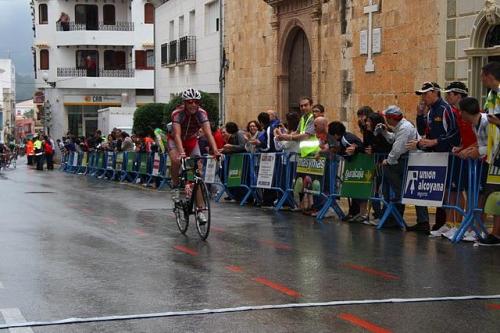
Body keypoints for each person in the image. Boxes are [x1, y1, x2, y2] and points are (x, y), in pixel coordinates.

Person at [408, 81, 459, 233]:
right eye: (422, 94)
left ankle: (451, 223)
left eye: (425, 93)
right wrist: (419, 115)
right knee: (439, 192)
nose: (423, 97)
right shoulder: (430, 112)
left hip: (449, 156)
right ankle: (441, 223)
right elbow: (425, 130)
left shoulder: (446, 109)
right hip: (436, 157)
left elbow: (455, 133)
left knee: (451, 190)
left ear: (435, 92)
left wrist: (435, 141)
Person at [168, 88, 220, 222]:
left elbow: (208, 133)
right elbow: (178, 135)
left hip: (191, 140)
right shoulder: (177, 113)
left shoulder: (202, 113)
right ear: (185, 103)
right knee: (176, 160)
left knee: (197, 175)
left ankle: (200, 210)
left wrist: (215, 151)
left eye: (196, 102)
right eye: (190, 102)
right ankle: (175, 185)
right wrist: (182, 153)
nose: (193, 105)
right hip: (175, 139)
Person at [381, 106, 430, 231]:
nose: (386, 120)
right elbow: (394, 139)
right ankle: (423, 221)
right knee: (416, 192)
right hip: (413, 159)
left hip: (413, 160)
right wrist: (385, 132)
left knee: (387, 168)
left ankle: (400, 193)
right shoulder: (401, 127)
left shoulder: (404, 127)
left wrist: (389, 161)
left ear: (391, 118)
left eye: (386, 118)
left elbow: (398, 148)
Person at [458, 97, 496, 243]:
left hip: (493, 164)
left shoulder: (486, 122)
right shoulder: (475, 124)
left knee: (487, 195)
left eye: (461, 111)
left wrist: (477, 151)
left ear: (466, 112)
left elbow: (494, 143)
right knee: (482, 194)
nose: (460, 114)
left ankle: (480, 228)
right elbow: (481, 144)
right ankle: (475, 227)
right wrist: (469, 150)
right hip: (486, 162)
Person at [328, 121, 364, 221]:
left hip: (359, 167)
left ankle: (358, 213)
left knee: (357, 190)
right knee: (353, 190)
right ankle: (353, 212)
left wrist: (355, 148)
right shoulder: (344, 138)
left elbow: (360, 147)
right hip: (354, 167)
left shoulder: (346, 139)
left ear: (335, 135)